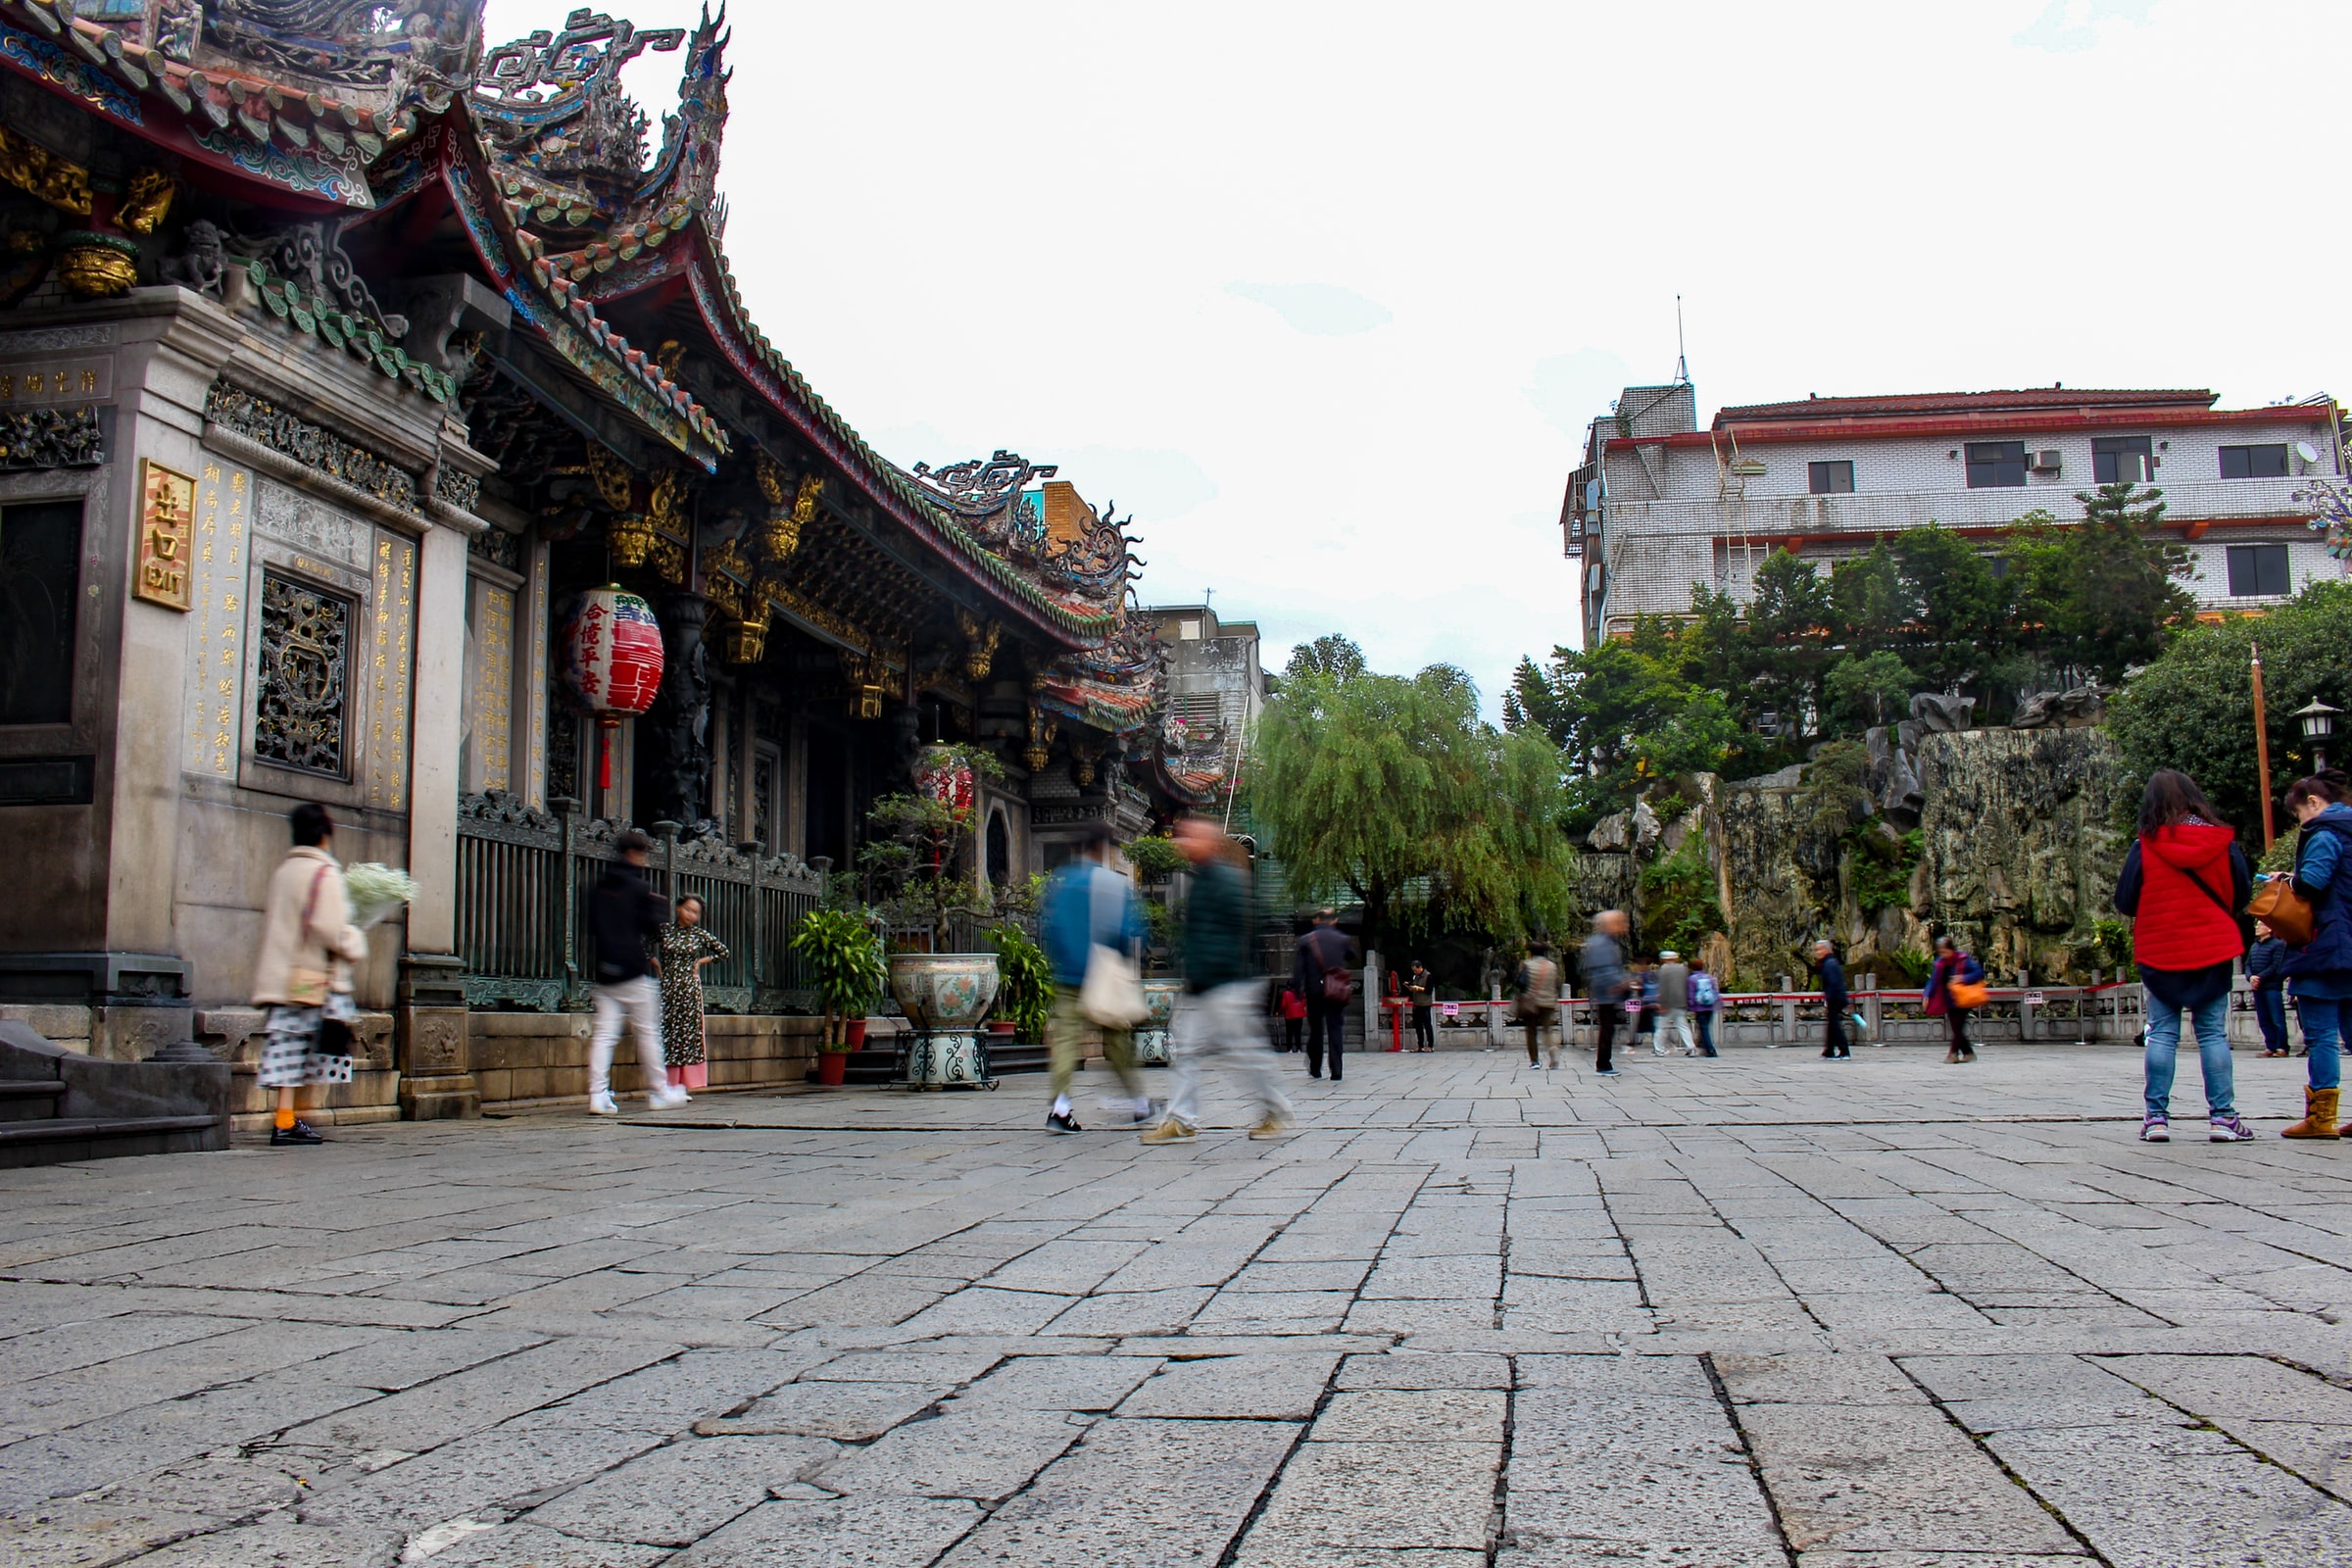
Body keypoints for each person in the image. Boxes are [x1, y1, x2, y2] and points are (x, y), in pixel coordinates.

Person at [2113, 768, 2254, 1143]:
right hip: (2213, 946)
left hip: (2162, 948)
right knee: (2212, 1034)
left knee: (2161, 1034)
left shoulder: (2145, 846)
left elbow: (2125, 900)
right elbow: (2241, 896)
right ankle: (2223, 1118)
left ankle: (2156, 1118)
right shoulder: (2223, 843)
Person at [1144, 815, 1294, 1143]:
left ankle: (1277, 1109)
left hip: (1227, 983)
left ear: (1210, 843)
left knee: (1245, 1052)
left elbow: (1236, 934)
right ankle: (1181, 1119)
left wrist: (1213, 972)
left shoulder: (1226, 881)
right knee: (1184, 1050)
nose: (1184, 843)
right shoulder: (1202, 879)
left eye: (1191, 838)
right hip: (1201, 984)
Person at [250, 803, 369, 1147]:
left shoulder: (284, 872)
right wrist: (355, 940)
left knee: (289, 1047)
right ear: (324, 836)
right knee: (315, 1048)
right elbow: (331, 929)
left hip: (285, 977)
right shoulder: (324, 872)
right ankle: (289, 1121)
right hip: (314, 979)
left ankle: (286, 1118)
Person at [1038, 819, 1152, 1133]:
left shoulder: (1063, 882)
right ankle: (1139, 1103)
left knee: (1064, 1042)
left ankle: (1060, 1108)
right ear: (1103, 847)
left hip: (1069, 976)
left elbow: (1049, 926)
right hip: (1103, 976)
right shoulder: (1113, 885)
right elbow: (1131, 930)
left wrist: (1063, 960)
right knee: (1116, 1041)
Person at [588, 829, 689, 1115]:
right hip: (633, 969)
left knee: (604, 1035)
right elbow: (654, 926)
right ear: (635, 854)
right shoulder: (638, 887)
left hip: (605, 970)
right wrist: (656, 905)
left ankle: (597, 1094)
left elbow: (592, 926)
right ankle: (659, 1091)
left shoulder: (599, 887)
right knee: (648, 1032)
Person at [2278, 773, 2352, 1138]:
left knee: (2321, 1034)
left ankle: (2321, 1117)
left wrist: (2286, 881)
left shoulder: (2324, 834)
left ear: (2313, 802)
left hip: (2326, 947)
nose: (2301, 822)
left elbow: (2312, 883)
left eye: (2299, 815)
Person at [655, 894, 728, 1098]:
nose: (690, 915)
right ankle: (667, 1082)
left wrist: (700, 962)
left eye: (695, 912)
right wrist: (657, 965)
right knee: (669, 1032)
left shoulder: (698, 934)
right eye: (688, 909)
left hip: (689, 991)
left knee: (688, 1034)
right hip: (669, 990)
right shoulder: (665, 931)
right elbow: (642, 945)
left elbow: (723, 952)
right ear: (679, 908)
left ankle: (687, 1082)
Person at [1293, 907, 1354, 1082]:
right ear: (1334, 921)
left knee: (1316, 1029)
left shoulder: (1305, 940)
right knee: (1335, 1028)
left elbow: (1299, 969)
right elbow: (1351, 955)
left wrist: (1297, 989)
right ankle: (1336, 1070)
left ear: (1316, 921)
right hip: (1336, 990)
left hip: (1314, 991)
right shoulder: (1342, 939)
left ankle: (1315, 1068)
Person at [1581, 910, 1630, 1077]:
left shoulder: (1606, 942)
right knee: (1607, 1028)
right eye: (1620, 922)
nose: (1624, 926)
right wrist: (1619, 983)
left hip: (1608, 992)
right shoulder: (1602, 944)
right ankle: (1603, 1064)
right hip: (1606, 992)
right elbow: (1604, 970)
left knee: (1608, 1028)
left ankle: (1604, 1063)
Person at [1924, 934, 1983, 1064]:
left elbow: (1978, 972)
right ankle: (1968, 1053)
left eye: (1945, 951)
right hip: (1949, 1000)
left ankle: (1953, 1054)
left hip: (1963, 999)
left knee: (1957, 1028)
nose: (1943, 954)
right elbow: (1933, 981)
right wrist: (1927, 995)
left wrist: (1963, 978)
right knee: (1956, 1029)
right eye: (1941, 952)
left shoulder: (1963, 960)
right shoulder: (1940, 964)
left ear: (1951, 949)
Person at [1514, 941, 1562, 1067]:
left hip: (1532, 1002)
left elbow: (1520, 982)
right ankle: (1552, 1049)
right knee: (1547, 1030)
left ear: (1531, 952)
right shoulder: (1552, 966)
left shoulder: (1527, 964)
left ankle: (1534, 1061)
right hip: (1548, 1003)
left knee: (1531, 1032)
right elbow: (1557, 984)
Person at [2247, 920, 2291, 1058]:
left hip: (2271, 986)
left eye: (2260, 925)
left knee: (2277, 1018)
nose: (2257, 927)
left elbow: (2276, 965)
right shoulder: (2254, 946)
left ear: (2270, 928)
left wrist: (2259, 977)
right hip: (2258, 987)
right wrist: (2250, 977)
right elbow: (2248, 963)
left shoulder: (2278, 945)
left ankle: (2282, 1046)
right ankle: (2270, 1046)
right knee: (2264, 1018)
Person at [1813, 940, 1851, 1059]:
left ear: (1827, 949)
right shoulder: (1828, 963)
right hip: (1834, 997)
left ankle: (1844, 1051)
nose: (1817, 952)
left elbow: (1834, 983)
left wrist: (1829, 999)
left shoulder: (1830, 964)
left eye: (1819, 949)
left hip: (1835, 998)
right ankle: (1829, 1051)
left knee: (1834, 1026)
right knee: (1832, 1025)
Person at [1654, 950, 1693, 1057]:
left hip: (1668, 1004)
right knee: (1683, 1026)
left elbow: (1663, 989)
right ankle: (1691, 1047)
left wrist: (1662, 1004)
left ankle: (1659, 1049)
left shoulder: (1663, 971)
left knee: (1661, 1027)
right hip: (1681, 1003)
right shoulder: (1684, 970)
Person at [1688, 956, 1720, 1057]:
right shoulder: (1710, 977)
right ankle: (1704, 1047)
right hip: (1710, 1006)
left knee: (1703, 1028)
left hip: (1699, 1007)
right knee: (1705, 1028)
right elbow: (1715, 991)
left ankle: (1710, 1049)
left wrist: (1691, 1007)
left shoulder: (1691, 979)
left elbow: (1691, 994)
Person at [1405, 960, 1437, 1053]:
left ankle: (1430, 1045)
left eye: (1416, 970)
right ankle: (1420, 1045)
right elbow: (1414, 987)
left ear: (1420, 968)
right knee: (1418, 1026)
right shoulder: (1416, 976)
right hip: (1416, 1004)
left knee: (1427, 1025)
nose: (1415, 972)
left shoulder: (1428, 976)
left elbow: (1429, 990)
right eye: (1413, 971)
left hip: (1425, 1004)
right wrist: (1410, 986)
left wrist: (1417, 988)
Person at [1633, 962, 1660, 1054]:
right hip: (1656, 1002)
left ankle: (1659, 1046)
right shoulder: (1656, 976)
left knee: (1652, 1025)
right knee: (1655, 1024)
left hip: (1647, 1003)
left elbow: (1638, 986)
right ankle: (1659, 1045)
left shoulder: (1642, 976)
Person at [1278, 984, 1306, 1053]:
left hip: (1289, 1014)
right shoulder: (1300, 992)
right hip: (1299, 1014)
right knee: (1298, 1032)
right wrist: (1299, 1006)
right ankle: (1299, 1048)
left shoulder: (1286, 993)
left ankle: (1289, 1048)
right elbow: (1304, 1001)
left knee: (1289, 1032)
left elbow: (1283, 1005)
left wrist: (1279, 1012)